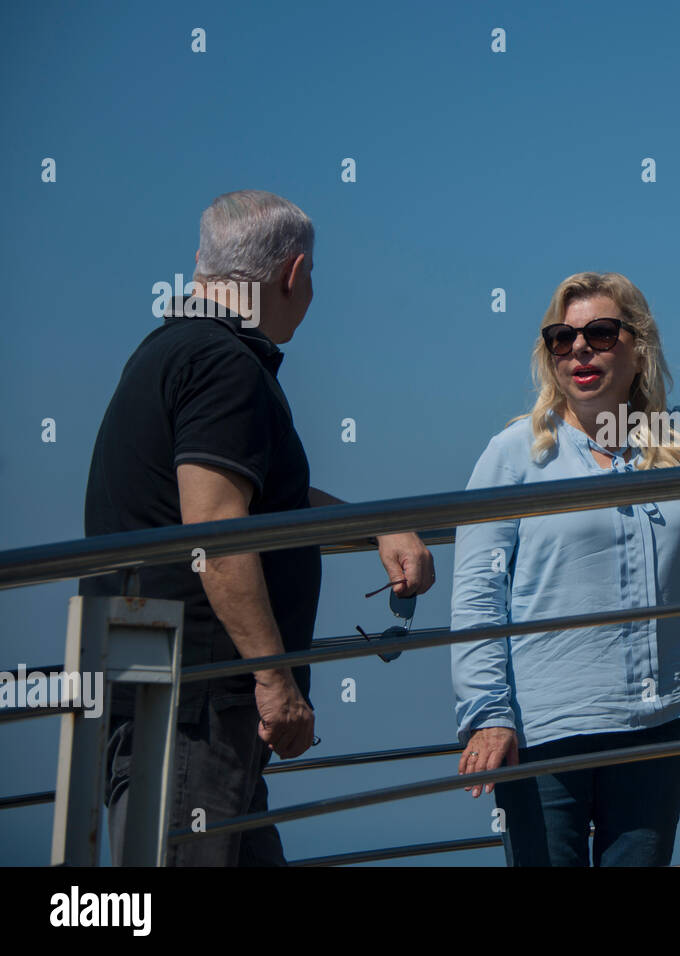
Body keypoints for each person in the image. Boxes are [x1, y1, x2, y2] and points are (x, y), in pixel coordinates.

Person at [80, 189, 434, 866]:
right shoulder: (223, 367)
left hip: (173, 694)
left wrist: (376, 526)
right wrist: (274, 681)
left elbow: (258, 498)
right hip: (198, 706)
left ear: (200, 264)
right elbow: (216, 528)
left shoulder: (171, 353)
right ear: (293, 275)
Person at [450, 271, 680, 866]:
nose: (579, 348)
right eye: (563, 338)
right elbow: (478, 592)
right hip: (544, 734)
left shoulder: (678, 437)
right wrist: (487, 715)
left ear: (640, 348)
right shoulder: (516, 453)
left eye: (600, 334)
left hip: (658, 725)